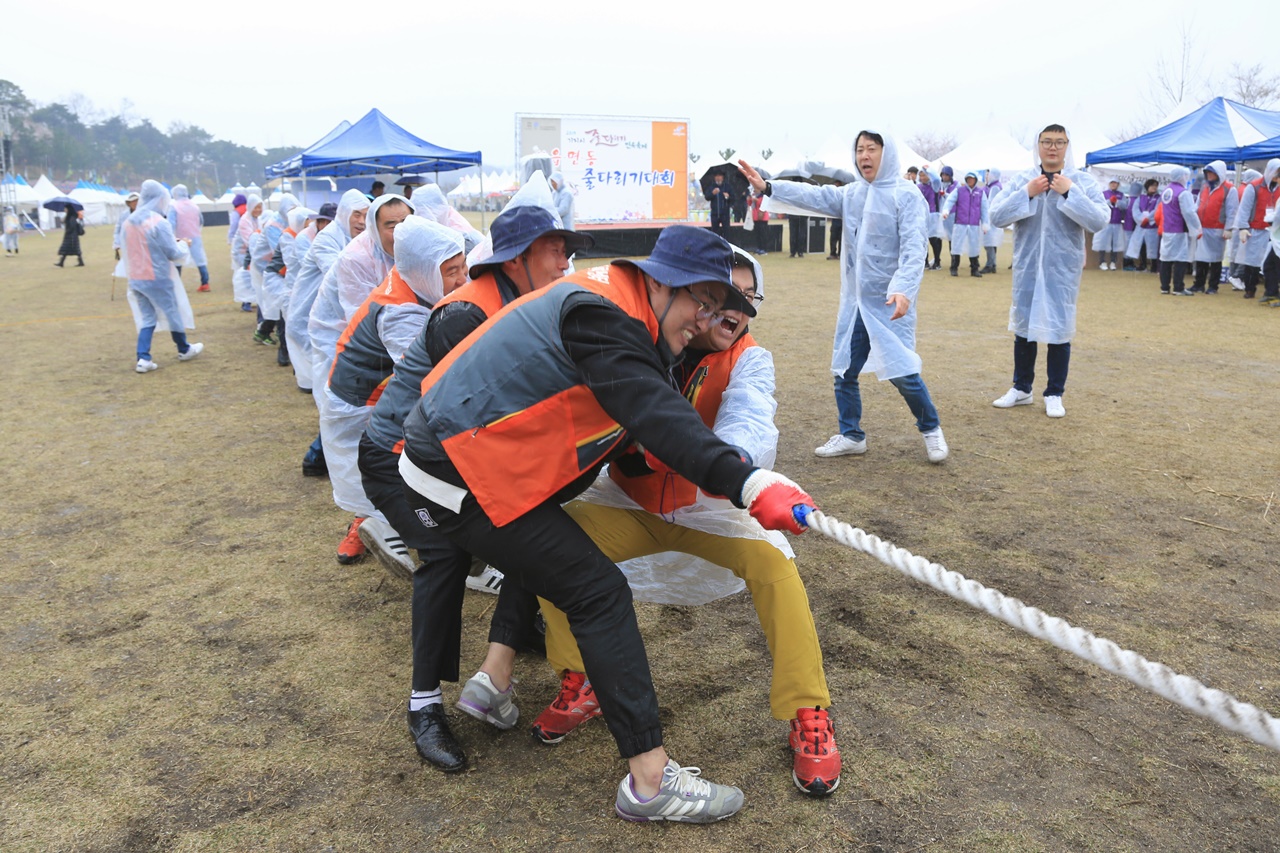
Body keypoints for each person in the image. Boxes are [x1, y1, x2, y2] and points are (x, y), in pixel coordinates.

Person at [397, 224, 807, 823]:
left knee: (572, 568)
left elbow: (637, 423)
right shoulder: (605, 315)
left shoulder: (624, 312)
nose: (705, 318)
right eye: (703, 300)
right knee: (597, 591)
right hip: (456, 476)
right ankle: (648, 782)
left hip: (476, 467)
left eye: (721, 308)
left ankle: (496, 681)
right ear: (663, 282)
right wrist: (745, 480)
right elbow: (652, 410)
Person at [531, 248, 842, 796]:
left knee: (776, 568)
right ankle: (581, 680)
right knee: (550, 546)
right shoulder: (642, 342)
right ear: (696, 300)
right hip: (629, 502)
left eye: (748, 301)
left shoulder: (750, 358)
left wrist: (731, 469)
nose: (732, 312)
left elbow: (749, 420)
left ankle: (808, 711)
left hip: (714, 508)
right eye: (722, 297)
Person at [359, 203, 592, 775]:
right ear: (516, 259)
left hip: (459, 456)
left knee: (529, 521)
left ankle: (511, 640)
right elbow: (455, 423)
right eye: (555, 248)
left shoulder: (522, 302)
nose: (567, 260)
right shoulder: (463, 315)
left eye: (568, 248)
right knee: (444, 551)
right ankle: (423, 707)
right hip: (402, 460)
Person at [739, 130, 949, 464]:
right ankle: (852, 435)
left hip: (889, 303)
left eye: (872, 149)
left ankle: (931, 428)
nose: (864, 155)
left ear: (887, 153)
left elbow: (913, 249)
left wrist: (903, 289)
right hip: (855, 304)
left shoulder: (907, 196)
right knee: (843, 371)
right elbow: (815, 196)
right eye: (860, 149)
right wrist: (771, 187)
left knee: (902, 372)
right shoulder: (852, 195)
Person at [312, 193, 414, 565]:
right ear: (375, 226)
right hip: (348, 348)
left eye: (406, 222)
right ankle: (362, 522)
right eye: (391, 224)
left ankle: (399, 519)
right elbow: (365, 317)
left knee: (395, 441)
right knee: (357, 441)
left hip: (394, 352)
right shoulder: (355, 258)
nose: (399, 230)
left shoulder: (414, 251)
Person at [988, 124, 1109, 419]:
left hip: (1061, 270)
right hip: (1028, 266)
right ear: (1038, 146)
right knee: (1024, 327)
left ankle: (1054, 392)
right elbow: (996, 215)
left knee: (1059, 329)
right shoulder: (1023, 181)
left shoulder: (1081, 182)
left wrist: (1071, 194)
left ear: (1067, 146)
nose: (1052, 148)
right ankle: (1021, 388)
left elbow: (1099, 220)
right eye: (1047, 142)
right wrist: (1027, 194)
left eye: (1059, 142)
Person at [123, 180, 204, 373]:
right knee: (172, 310)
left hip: (136, 277)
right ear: (161, 199)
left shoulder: (129, 222)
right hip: (157, 276)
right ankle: (184, 348)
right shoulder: (159, 222)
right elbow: (174, 253)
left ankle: (143, 358)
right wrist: (184, 243)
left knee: (147, 317)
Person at [1233, 158, 1280, 302]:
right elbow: (1244, 208)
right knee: (1252, 261)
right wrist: (1243, 227)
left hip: (1274, 231)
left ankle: (1271, 289)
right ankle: (1250, 288)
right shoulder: (1254, 187)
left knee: (1273, 262)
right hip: (1256, 228)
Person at [1191, 161, 1236, 294]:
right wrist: (1194, 222)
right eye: (1208, 172)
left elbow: (1232, 210)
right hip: (1202, 227)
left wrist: (1229, 228)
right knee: (1200, 258)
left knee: (1215, 259)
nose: (1210, 175)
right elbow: (1197, 205)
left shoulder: (1229, 189)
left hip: (1217, 228)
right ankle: (1199, 284)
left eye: (1212, 172)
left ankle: (1213, 286)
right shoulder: (1204, 187)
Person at [1156, 166, 1202, 296]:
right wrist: (1197, 228)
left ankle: (1164, 287)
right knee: (1180, 258)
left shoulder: (1166, 190)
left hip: (1167, 228)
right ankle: (1178, 287)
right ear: (1182, 177)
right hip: (1179, 229)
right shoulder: (1183, 192)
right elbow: (1189, 212)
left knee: (1165, 257)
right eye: (1186, 176)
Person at [941, 170, 989, 278]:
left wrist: (985, 223)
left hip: (974, 224)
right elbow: (950, 201)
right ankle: (954, 267)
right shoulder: (959, 191)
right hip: (960, 222)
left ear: (975, 180)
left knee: (974, 246)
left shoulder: (981, 193)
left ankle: (974, 268)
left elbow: (984, 209)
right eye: (968, 179)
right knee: (956, 245)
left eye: (972, 179)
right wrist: (946, 211)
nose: (970, 181)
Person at [168, 185, 210, 291]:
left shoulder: (174, 206)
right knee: (200, 259)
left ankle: (176, 285)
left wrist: (171, 236)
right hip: (195, 236)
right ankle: (205, 283)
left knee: (177, 259)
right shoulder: (195, 206)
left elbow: (171, 223)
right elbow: (201, 221)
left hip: (179, 236)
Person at [233, 194, 262, 311]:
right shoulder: (245, 220)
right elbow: (249, 239)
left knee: (253, 276)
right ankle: (246, 302)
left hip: (252, 251)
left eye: (260, 207)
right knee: (247, 276)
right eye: (255, 207)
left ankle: (251, 300)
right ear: (250, 207)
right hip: (242, 252)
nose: (258, 210)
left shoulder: (257, 219)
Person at [1125, 179, 1161, 274]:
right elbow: (1135, 210)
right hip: (1141, 227)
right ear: (1147, 187)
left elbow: (1158, 209)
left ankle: (1154, 265)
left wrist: (1148, 218)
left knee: (1154, 246)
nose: (1154, 187)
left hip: (1152, 227)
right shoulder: (1140, 198)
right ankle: (1143, 264)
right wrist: (1141, 219)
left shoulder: (1159, 198)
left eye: (1155, 185)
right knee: (1141, 245)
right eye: (1152, 185)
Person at [1093, 178, 1127, 270]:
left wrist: (1117, 202)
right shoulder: (1104, 194)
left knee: (1115, 243)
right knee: (1103, 242)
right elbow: (1099, 205)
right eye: (1112, 183)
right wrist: (1109, 202)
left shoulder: (1121, 195)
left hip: (1117, 223)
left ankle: (1113, 262)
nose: (1113, 185)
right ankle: (1102, 261)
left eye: (1115, 183)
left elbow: (1125, 206)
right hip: (1106, 222)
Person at [918, 169, 943, 270]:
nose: (923, 178)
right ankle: (925, 261)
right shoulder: (918, 187)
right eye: (921, 176)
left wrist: (928, 169)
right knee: (922, 239)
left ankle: (937, 261)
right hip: (921, 215)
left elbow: (937, 179)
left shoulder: (934, 186)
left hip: (932, 215)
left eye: (925, 175)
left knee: (933, 239)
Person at [981, 168, 1005, 273]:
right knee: (991, 241)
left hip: (990, 217)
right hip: (992, 217)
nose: (986, 177)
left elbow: (991, 202)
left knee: (989, 241)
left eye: (988, 175)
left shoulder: (994, 187)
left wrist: (986, 217)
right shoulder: (992, 186)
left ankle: (990, 264)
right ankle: (992, 263)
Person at [113, 192, 140, 266]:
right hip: (129, 244)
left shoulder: (146, 213)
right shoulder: (124, 215)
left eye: (137, 201)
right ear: (129, 203)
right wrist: (117, 243)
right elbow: (118, 230)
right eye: (133, 201)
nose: (135, 203)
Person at [706, 172, 733, 241]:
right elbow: (707, 197)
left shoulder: (727, 187)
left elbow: (733, 199)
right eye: (716, 176)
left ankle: (727, 246)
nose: (718, 177)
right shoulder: (712, 186)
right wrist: (712, 193)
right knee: (714, 232)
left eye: (719, 176)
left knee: (726, 232)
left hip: (725, 214)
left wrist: (728, 197)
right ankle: (715, 247)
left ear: (723, 177)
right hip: (715, 214)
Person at [749, 186, 770, 255]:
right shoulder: (754, 196)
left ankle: (764, 248)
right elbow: (749, 203)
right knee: (757, 234)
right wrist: (750, 199)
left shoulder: (764, 196)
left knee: (763, 233)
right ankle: (759, 247)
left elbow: (764, 205)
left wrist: (757, 201)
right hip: (755, 217)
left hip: (763, 217)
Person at [826, 181, 845, 260]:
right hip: (834, 221)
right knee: (833, 238)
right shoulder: (832, 198)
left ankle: (841, 254)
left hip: (842, 221)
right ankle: (833, 253)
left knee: (841, 239)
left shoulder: (844, 196)